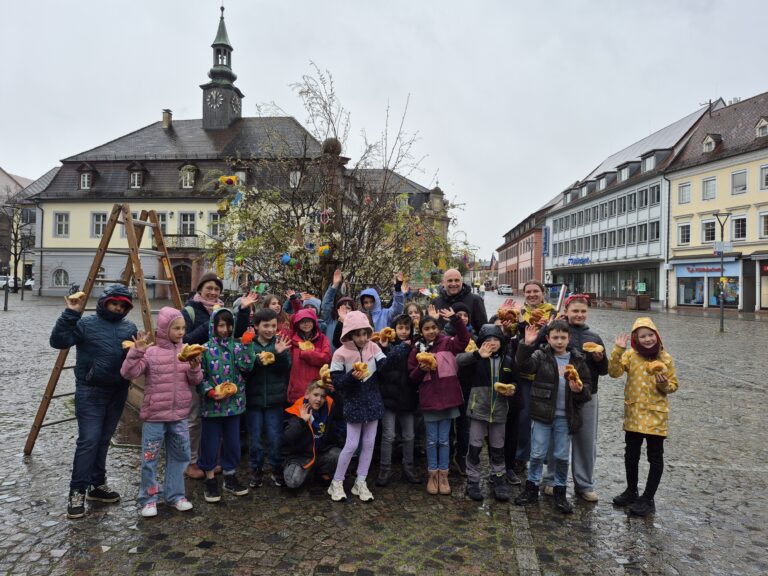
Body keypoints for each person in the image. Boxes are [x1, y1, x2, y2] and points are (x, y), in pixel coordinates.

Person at [50, 285, 137, 519]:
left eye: (122, 305)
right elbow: (58, 341)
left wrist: (140, 352)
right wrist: (71, 313)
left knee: (104, 439)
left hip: (117, 391)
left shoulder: (129, 327)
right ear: (104, 302)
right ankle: (77, 491)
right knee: (89, 440)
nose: (117, 308)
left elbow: (132, 360)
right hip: (90, 391)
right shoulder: (85, 324)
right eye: (114, 303)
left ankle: (97, 485)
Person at [120, 307, 203, 517]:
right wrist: (136, 351)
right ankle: (149, 498)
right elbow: (128, 372)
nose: (181, 332)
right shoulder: (151, 353)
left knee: (181, 455)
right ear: (165, 329)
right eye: (176, 328)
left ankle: (175, 495)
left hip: (179, 416)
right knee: (150, 458)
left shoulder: (187, 352)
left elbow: (195, 381)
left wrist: (195, 368)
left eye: (183, 328)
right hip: (154, 416)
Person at [327, 311, 409, 502]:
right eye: (358, 334)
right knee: (351, 444)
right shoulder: (340, 353)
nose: (362, 338)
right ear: (349, 334)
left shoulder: (373, 346)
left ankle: (361, 481)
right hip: (353, 403)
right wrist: (351, 377)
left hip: (373, 401)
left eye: (365, 333)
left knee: (370, 443)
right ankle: (336, 482)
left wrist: (396, 351)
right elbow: (337, 383)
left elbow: (383, 368)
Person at [514, 320, 591, 514]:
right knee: (537, 453)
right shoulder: (541, 356)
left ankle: (560, 490)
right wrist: (526, 344)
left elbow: (587, 389)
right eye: (555, 337)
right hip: (542, 414)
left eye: (563, 337)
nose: (559, 341)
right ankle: (531, 487)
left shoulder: (578, 360)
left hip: (565, 416)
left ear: (569, 338)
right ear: (548, 339)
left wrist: (579, 389)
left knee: (562, 456)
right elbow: (523, 366)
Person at [609, 317, 678, 516]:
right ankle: (631, 491)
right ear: (636, 339)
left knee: (655, 456)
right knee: (631, 454)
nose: (647, 339)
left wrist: (663, 384)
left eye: (650, 335)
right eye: (642, 336)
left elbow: (673, 386)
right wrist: (618, 350)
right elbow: (613, 372)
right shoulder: (630, 356)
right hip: (634, 414)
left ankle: (648, 498)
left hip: (656, 415)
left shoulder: (665, 358)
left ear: (657, 336)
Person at [540, 294, 607, 502]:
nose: (579, 314)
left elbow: (604, 370)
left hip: (587, 395)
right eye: (575, 311)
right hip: (559, 393)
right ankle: (551, 479)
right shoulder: (557, 332)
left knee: (586, 440)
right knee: (556, 437)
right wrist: (546, 327)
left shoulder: (594, 338)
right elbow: (541, 353)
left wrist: (600, 359)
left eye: (583, 311)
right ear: (566, 312)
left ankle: (584, 484)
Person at [408, 308, 470, 496]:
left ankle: (444, 475)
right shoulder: (417, 349)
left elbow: (464, 339)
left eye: (433, 327)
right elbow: (412, 377)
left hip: (448, 398)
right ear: (421, 331)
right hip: (429, 400)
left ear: (439, 328)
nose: (431, 331)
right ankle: (432, 475)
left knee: (444, 440)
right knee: (431, 440)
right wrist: (422, 369)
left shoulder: (448, 343)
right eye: (426, 328)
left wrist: (456, 320)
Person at [198, 308, 254, 503]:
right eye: (221, 325)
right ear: (213, 326)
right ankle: (210, 479)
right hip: (211, 407)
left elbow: (247, 366)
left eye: (229, 325)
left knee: (232, 442)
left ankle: (229, 477)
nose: (225, 329)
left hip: (234, 405)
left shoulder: (237, 347)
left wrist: (247, 346)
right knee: (210, 443)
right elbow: (200, 377)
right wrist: (209, 392)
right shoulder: (204, 349)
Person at [456, 324, 517, 502]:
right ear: (481, 343)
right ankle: (473, 481)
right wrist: (477, 354)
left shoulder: (508, 360)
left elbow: (515, 380)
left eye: (495, 339)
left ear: (501, 342)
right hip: (478, 410)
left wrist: (512, 388)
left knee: (498, 448)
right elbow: (458, 360)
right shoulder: (477, 358)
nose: (492, 343)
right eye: (488, 340)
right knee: (474, 448)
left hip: (499, 411)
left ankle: (498, 479)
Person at [243, 308, 292, 489]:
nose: (270, 329)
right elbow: (245, 369)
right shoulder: (250, 345)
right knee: (255, 439)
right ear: (256, 326)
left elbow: (285, 368)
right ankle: (256, 470)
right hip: (253, 401)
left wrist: (279, 354)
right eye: (265, 326)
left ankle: (276, 469)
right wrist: (257, 361)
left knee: (274, 437)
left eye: (273, 326)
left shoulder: (279, 343)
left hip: (274, 401)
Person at [513, 280, 557, 477]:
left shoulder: (553, 313)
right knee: (523, 418)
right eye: (528, 291)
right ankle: (521, 457)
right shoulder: (519, 312)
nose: (532, 294)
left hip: (545, 373)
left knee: (546, 418)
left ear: (543, 293)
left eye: (535, 291)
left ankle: (544, 459)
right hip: (523, 372)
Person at [376, 314, 420, 486]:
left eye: (407, 328)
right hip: (389, 398)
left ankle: (409, 467)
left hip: (407, 398)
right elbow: (382, 368)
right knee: (389, 435)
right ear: (394, 329)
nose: (403, 332)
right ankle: (384, 469)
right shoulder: (386, 346)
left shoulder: (415, 347)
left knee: (409, 435)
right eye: (400, 328)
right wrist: (396, 348)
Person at [283, 381, 341, 489]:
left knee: (338, 454)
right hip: (302, 457)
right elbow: (287, 438)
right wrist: (301, 421)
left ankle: (320, 473)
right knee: (292, 482)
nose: (319, 399)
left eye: (322, 396)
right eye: (315, 395)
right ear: (307, 394)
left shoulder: (328, 406)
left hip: (320, 453)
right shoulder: (298, 409)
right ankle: (303, 470)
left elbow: (341, 413)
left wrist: (335, 393)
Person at [286, 308, 332, 403]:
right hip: (297, 390)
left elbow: (326, 358)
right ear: (297, 324)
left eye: (309, 321)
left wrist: (306, 354)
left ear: (314, 322)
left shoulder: (322, 339)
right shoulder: (291, 340)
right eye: (302, 322)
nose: (306, 324)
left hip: (317, 389)